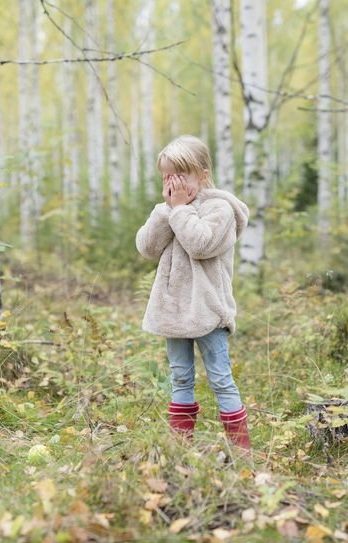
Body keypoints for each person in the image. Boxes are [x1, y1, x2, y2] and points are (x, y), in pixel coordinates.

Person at [135, 134, 252, 454]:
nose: (173, 182)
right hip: (173, 311)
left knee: (220, 379)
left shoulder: (220, 209)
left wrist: (180, 211)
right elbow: (146, 247)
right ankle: (180, 451)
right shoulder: (170, 209)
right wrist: (167, 211)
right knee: (180, 378)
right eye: (166, 175)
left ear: (202, 173)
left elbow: (200, 245)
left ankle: (241, 454)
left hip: (208, 311)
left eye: (180, 174)